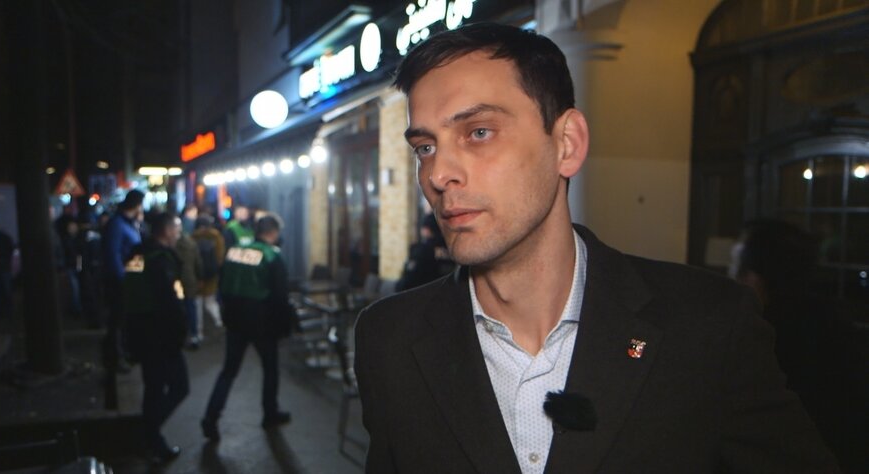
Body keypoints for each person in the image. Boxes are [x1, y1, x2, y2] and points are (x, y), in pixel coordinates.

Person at [353, 23, 839, 473]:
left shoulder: (708, 326)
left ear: (567, 143)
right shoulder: (389, 340)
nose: (438, 174)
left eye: (479, 132)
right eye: (425, 147)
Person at [735, 219, 868, 472]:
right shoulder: (832, 321)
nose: (733, 275)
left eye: (738, 264)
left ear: (755, 277)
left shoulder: (761, 338)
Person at [201, 215, 296, 440]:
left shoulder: (234, 252)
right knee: (270, 369)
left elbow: (223, 286)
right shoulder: (272, 256)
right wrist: (284, 327)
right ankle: (270, 413)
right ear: (273, 233)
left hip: (235, 321)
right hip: (263, 324)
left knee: (228, 371)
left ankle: (210, 418)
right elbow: (280, 297)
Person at [122, 212, 189, 463]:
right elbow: (171, 300)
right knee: (179, 386)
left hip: (138, 329)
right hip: (161, 334)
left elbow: (128, 288)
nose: (179, 234)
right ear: (167, 230)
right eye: (177, 228)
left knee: (153, 388)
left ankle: (152, 440)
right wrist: (181, 331)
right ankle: (147, 434)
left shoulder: (136, 255)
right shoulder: (162, 259)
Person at [101, 189, 144, 371]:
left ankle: (126, 353)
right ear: (136, 205)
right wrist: (122, 280)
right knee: (117, 320)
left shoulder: (130, 224)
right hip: (121, 282)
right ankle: (116, 357)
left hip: (131, 280)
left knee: (126, 319)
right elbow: (113, 255)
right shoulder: (118, 225)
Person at [396, 213, 454, 291]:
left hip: (423, 295)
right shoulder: (453, 250)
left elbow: (407, 282)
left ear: (426, 230)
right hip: (448, 294)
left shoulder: (423, 250)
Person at [191, 215, 225, 339]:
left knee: (197, 303)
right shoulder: (216, 236)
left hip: (196, 275)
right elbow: (220, 256)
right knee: (210, 301)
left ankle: (198, 331)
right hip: (212, 274)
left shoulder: (192, 237)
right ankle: (218, 321)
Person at [174, 215, 203, 349]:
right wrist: (200, 278)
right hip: (190, 281)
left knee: (179, 308)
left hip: (177, 283)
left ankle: (181, 336)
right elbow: (198, 263)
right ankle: (194, 335)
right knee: (191, 307)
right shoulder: (191, 243)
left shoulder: (170, 245)